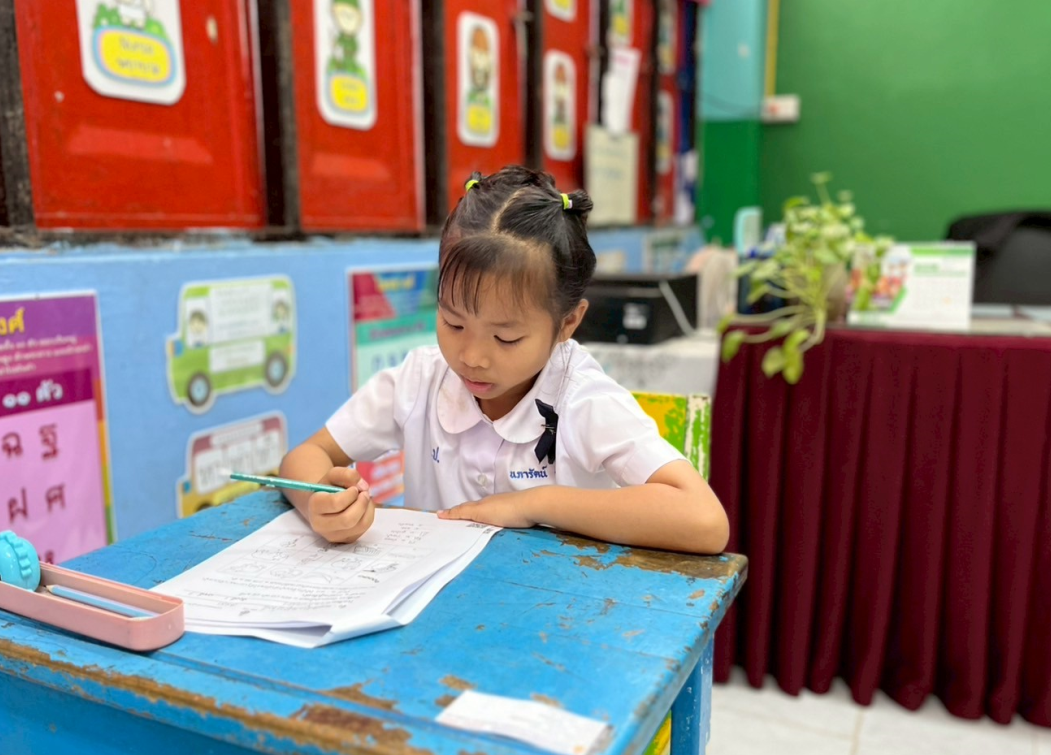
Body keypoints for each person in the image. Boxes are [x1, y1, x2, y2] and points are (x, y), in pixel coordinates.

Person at [279, 166, 728, 554]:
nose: (471, 357)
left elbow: (705, 521)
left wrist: (535, 503)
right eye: (453, 323)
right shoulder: (420, 380)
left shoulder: (583, 399)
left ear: (568, 323)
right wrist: (319, 503)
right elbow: (306, 455)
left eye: (506, 338)